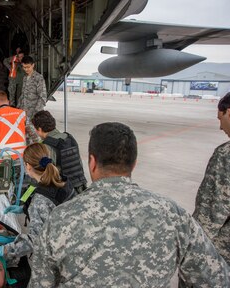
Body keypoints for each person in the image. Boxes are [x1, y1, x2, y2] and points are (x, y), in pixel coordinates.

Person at [28, 122, 229, 287]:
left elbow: (40, 283)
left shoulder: (60, 218)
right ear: (134, 164)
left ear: (92, 162)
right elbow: (216, 279)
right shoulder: (173, 215)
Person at [0, 143, 74, 264]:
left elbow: (36, 240)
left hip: (59, 257)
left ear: (28, 166)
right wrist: (25, 209)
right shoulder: (62, 181)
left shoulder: (40, 199)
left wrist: (2, 250)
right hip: (70, 242)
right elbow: (53, 212)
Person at [193, 92, 230, 263]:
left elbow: (212, 211)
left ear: (229, 112)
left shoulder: (225, 155)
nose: (221, 127)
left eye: (220, 118)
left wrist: (193, 248)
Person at [32, 110, 87, 193]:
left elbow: (44, 177)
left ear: (39, 129)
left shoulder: (46, 147)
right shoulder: (69, 138)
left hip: (65, 194)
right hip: (81, 189)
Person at [0, 91, 39, 159]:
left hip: (4, 156)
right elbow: (34, 134)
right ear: (8, 102)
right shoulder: (22, 114)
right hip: (23, 155)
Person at [17, 56, 47, 120]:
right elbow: (23, 94)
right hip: (23, 112)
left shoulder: (39, 78)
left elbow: (42, 97)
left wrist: (36, 113)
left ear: (33, 65)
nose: (26, 69)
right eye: (24, 67)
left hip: (33, 113)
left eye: (28, 67)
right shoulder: (25, 77)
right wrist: (18, 108)